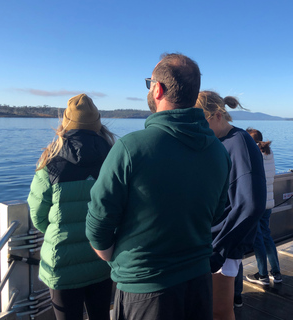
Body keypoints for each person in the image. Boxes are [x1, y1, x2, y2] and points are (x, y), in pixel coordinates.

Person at [85, 54, 231, 320]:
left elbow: (98, 224)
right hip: (199, 283)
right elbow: (217, 213)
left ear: (157, 88)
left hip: (145, 291)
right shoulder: (219, 152)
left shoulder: (130, 148)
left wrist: (112, 257)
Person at [27, 93, 115, 320]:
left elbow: (37, 214)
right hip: (102, 258)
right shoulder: (114, 156)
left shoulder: (50, 160)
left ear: (65, 123)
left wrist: (58, 232)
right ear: (97, 123)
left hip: (61, 264)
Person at [195, 91, 266, 320]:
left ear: (217, 115)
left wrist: (219, 249)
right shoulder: (220, 141)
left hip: (220, 244)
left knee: (220, 312)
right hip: (211, 241)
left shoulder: (239, 142)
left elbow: (251, 205)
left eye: (200, 121)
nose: (197, 127)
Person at [245, 128, 282, 286]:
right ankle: (277, 273)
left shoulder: (253, 154)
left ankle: (262, 275)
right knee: (266, 236)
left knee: (258, 239)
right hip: (268, 201)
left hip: (256, 201)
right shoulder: (268, 153)